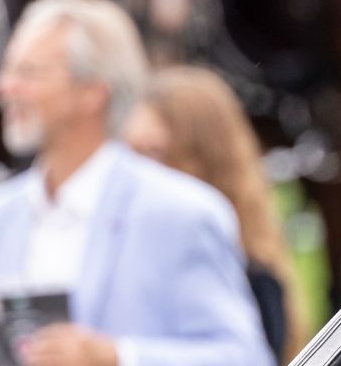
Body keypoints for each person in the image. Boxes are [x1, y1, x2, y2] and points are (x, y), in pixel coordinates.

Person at [0, 0, 272, 366]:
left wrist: (117, 357)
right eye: (6, 70)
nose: (4, 88)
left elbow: (244, 358)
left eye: (29, 72)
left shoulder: (183, 213)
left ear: (93, 92)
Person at [123, 65, 303, 363]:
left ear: (203, 158)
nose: (138, 172)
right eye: (130, 154)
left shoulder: (253, 277)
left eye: (154, 153)